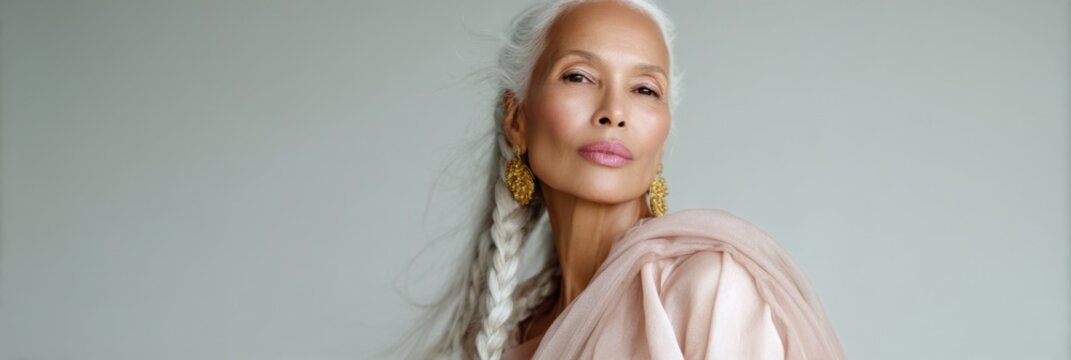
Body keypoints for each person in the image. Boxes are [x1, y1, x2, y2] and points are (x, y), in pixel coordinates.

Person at [405, 0, 845, 359]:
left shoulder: (707, 290)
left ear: (664, 135)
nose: (613, 111)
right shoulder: (510, 330)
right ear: (517, 118)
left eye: (644, 90)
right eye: (578, 76)